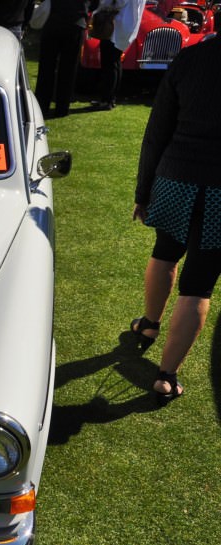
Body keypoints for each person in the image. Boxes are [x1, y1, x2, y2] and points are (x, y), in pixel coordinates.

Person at [131, 36, 221, 403]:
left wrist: (143, 192)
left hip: (174, 177)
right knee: (198, 284)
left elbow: (156, 132)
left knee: (165, 252)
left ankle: (149, 325)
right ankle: (166, 376)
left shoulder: (190, 57)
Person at [34, 0, 91, 118]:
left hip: (53, 20)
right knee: (68, 69)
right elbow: (94, 4)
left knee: (46, 67)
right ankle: (62, 107)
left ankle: (42, 105)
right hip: (76, 22)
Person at [92, 0, 145, 110]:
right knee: (115, 62)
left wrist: (103, 4)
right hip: (125, 25)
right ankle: (110, 98)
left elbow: (119, 2)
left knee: (109, 63)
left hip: (116, 24)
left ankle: (107, 100)